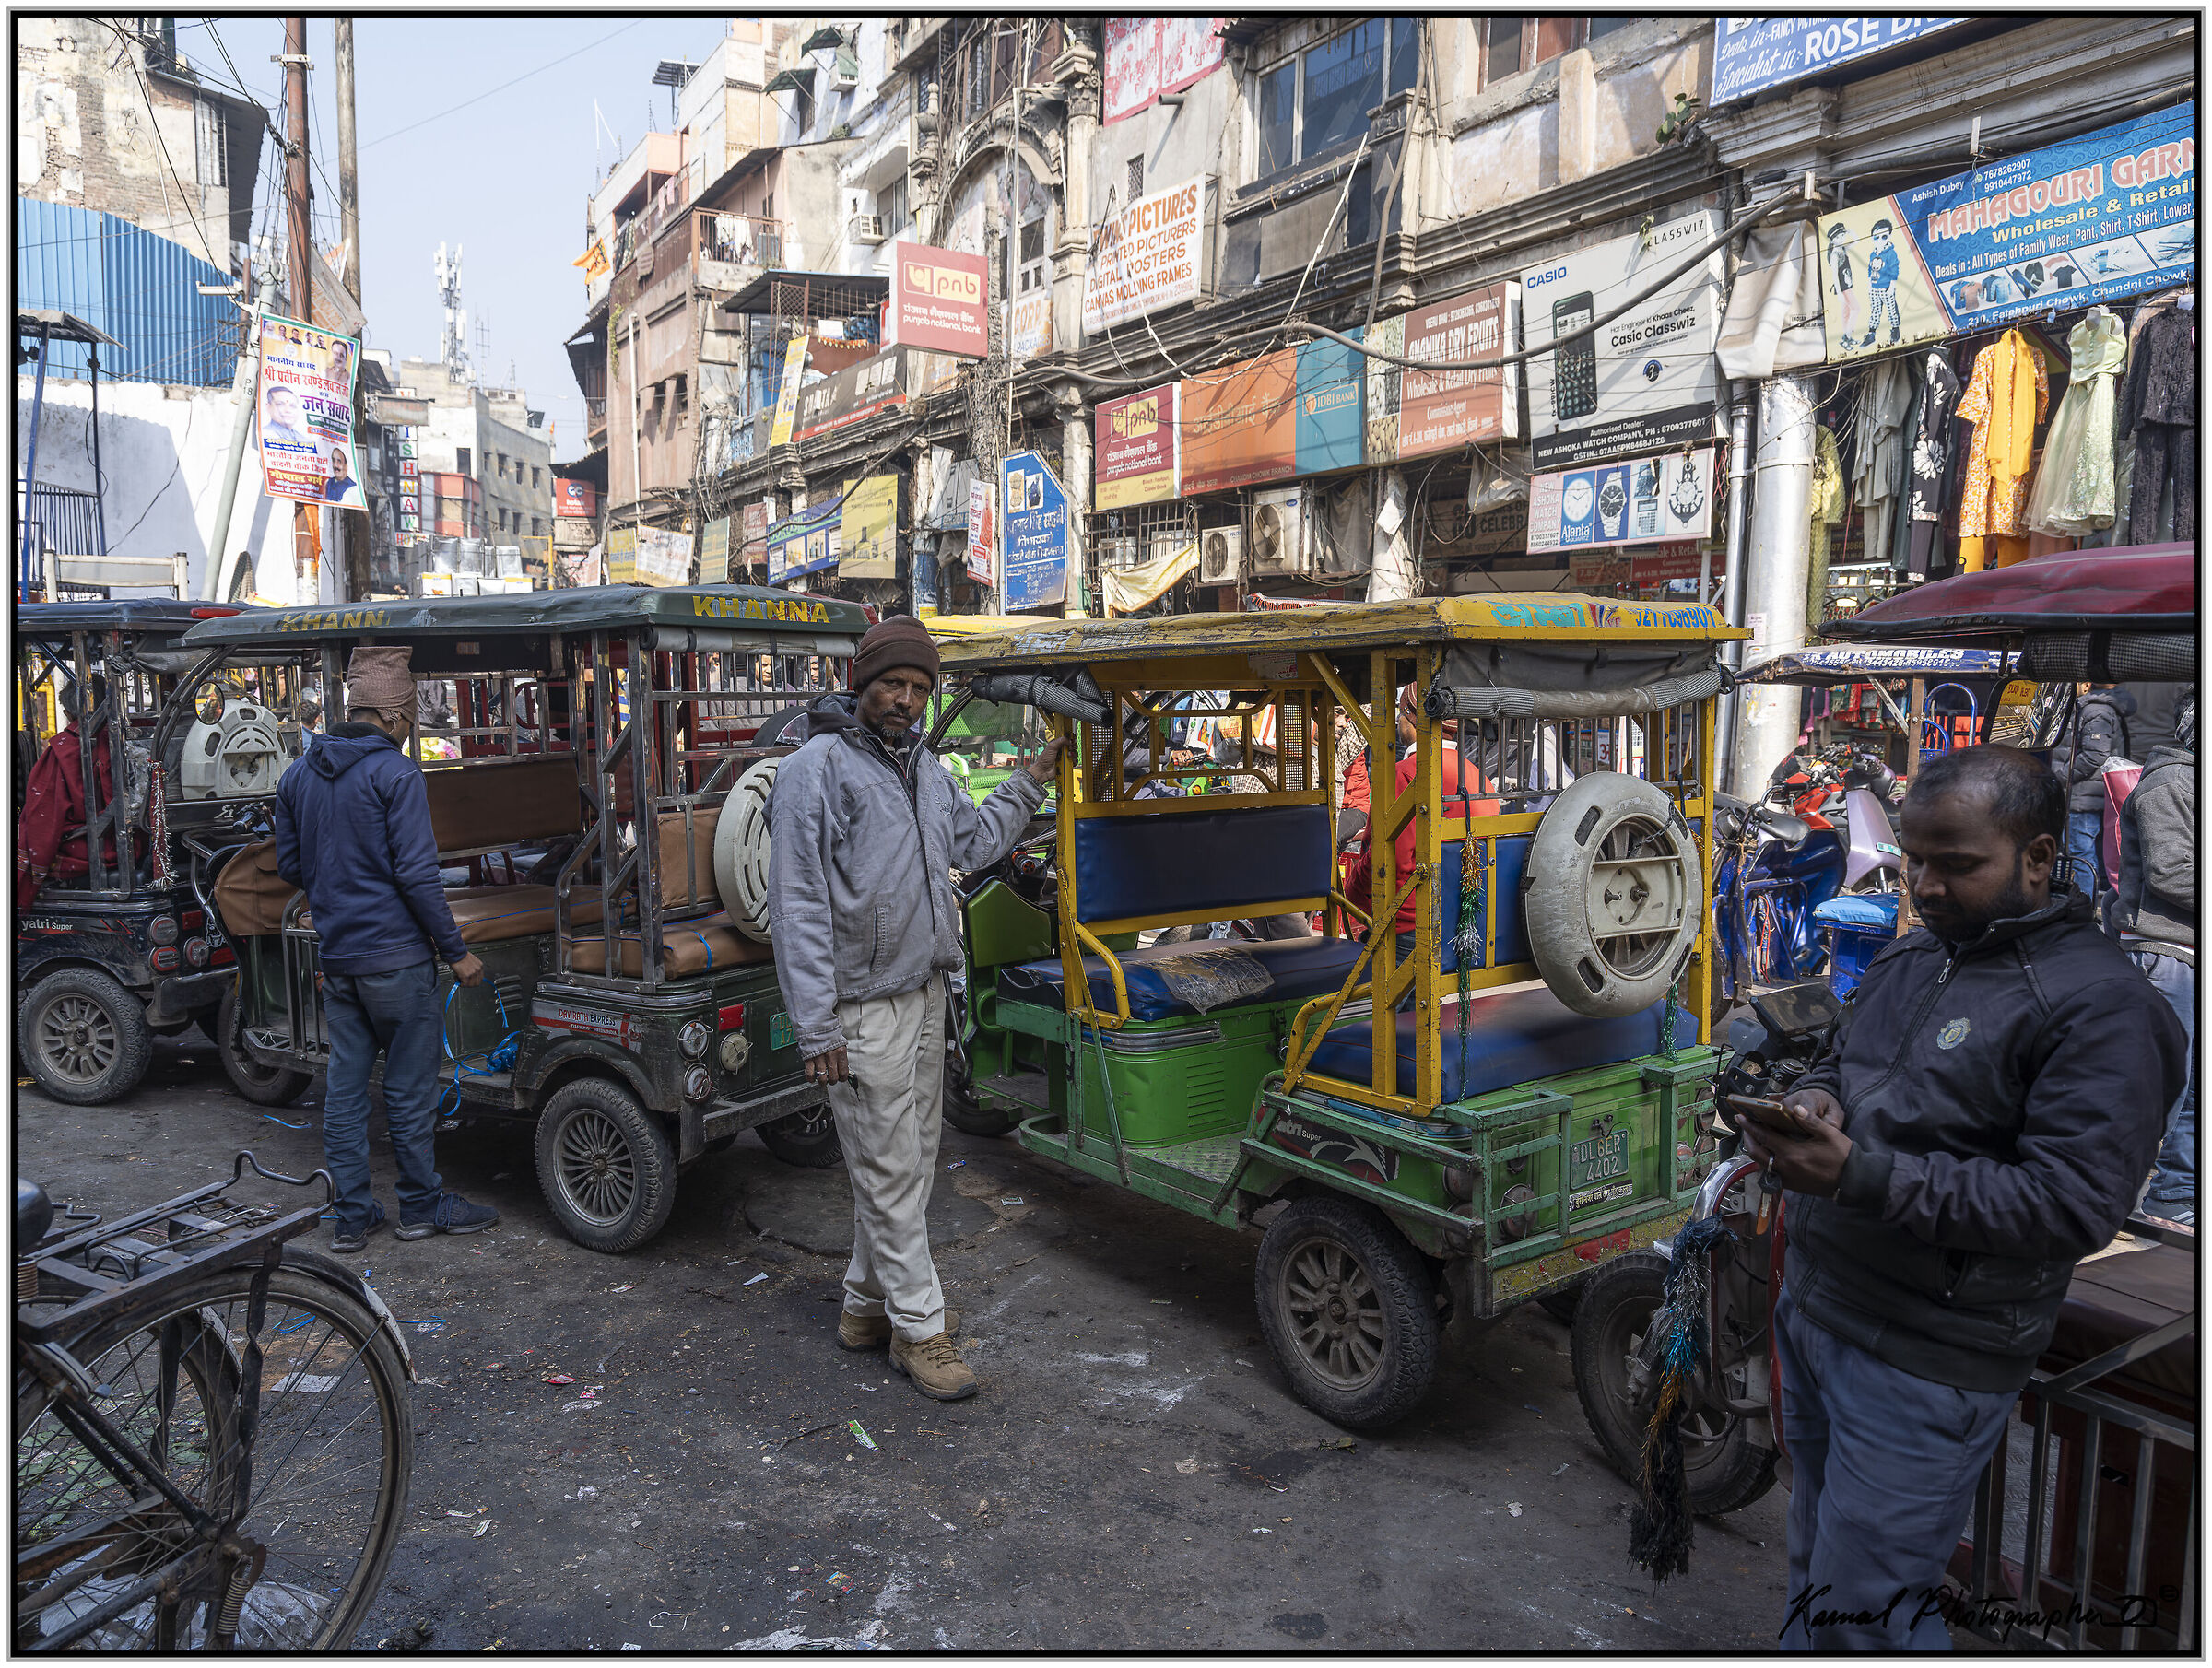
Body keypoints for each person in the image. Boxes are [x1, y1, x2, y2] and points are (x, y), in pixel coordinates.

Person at [1739, 746, 2186, 1650]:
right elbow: (1846, 1059)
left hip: (1924, 1357)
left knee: (1867, 1613)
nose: (1928, 886)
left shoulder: (2102, 1008)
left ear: (2038, 856)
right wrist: (1820, 1099)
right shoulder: (1915, 958)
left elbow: (2068, 1206)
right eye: (1916, 860)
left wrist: (1858, 1174)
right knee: (1818, 1565)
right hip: (1822, 1311)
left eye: (1958, 864)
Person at [767, 617, 1061, 1402]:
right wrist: (816, 1025)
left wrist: (1030, 780)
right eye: (893, 685)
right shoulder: (814, 770)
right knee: (894, 1171)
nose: (905, 701)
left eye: (919, 690)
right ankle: (922, 1332)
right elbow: (796, 906)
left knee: (904, 1166)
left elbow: (972, 842)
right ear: (861, 684)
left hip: (927, 995)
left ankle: (865, 1310)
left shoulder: (927, 769)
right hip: (859, 1011)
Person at [274, 645, 498, 1253]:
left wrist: (337, 885)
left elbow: (290, 864)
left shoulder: (296, 774)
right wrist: (456, 953)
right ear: (396, 715)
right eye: (411, 719)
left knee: (344, 1093)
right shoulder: (395, 774)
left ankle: (351, 1217)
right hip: (397, 962)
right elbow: (419, 878)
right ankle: (421, 1208)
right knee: (407, 1091)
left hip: (340, 960)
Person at [2115, 693, 2195, 1225]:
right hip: (2166, 955)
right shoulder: (2170, 784)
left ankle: (2176, 1198)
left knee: (2191, 1092)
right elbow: (2173, 874)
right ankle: (2107, 1193)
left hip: (2188, 955)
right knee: (2161, 1090)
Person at [15, 675, 118, 908]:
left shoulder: (64, 748)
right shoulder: (119, 738)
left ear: (70, 712)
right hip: (125, 843)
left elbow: (43, 817)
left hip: (85, 848)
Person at [2064, 682, 2136, 894]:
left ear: (2086, 685)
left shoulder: (2096, 709)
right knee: (2090, 854)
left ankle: (2085, 910)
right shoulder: (2094, 707)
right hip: (2088, 793)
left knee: (2080, 855)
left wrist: (2062, 776)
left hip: (2084, 795)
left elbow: (2095, 755)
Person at [1857, 218, 1902, 347]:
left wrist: (1892, 286)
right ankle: (1871, 333)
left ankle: (1895, 329)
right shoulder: (1873, 254)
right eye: (1876, 237)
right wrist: (1869, 284)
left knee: (1891, 309)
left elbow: (1894, 269)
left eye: (1884, 237)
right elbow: (1870, 269)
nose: (1880, 241)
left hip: (1886, 287)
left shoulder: (1891, 253)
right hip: (1874, 288)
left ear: (1889, 236)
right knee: (1875, 311)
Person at [261, 383, 317, 452]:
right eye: (280, 404)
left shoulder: (306, 441)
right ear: (268, 407)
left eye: (293, 406)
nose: (288, 410)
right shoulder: (265, 434)